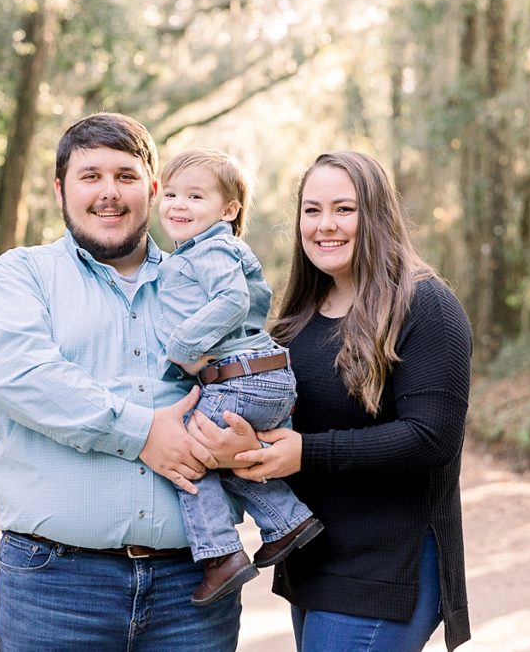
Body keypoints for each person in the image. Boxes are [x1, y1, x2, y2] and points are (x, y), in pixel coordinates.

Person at [0, 113, 242, 651]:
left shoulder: (213, 281)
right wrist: (143, 433)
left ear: (154, 190)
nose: (108, 193)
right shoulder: (22, 274)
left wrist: (248, 438)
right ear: (60, 189)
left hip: (195, 586)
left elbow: (252, 368)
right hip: (56, 586)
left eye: (126, 176)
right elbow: (19, 375)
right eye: (90, 175)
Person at [189, 151, 473, 651]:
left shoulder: (425, 305)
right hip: (318, 560)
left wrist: (305, 453)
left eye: (344, 209)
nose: (325, 225)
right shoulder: (299, 315)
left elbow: (432, 438)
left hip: (387, 569)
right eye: (312, 210)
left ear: (377, 215)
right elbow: (286, 424)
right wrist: (244, 446)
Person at [154, 148, 323, 607]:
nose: (178, 204)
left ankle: (221, 555)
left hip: (241, 378)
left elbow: (230, 301)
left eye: (194, 195)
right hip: (260, 376)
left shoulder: (212, 249)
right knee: (224, 457)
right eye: (170, 193)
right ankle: (287, 520)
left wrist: (181, 349)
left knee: (188, 451)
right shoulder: (194, 253)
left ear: (228, 211)